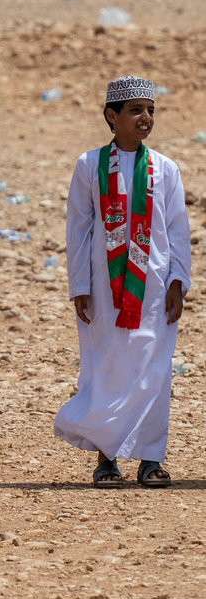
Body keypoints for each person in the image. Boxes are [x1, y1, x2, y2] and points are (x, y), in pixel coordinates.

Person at [54, 76, 190, 488]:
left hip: (154, 288)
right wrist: (80, 285)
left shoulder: (166, 168)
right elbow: (79, 229)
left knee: (154, 371)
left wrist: (178, 281)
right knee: (107, 367)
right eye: (135, 110)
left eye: (150, 110)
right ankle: (107, 459)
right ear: (111, 116)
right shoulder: (88, 165)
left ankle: (151, 459)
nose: (145, 118)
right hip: (104, 288)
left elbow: (177, 229)